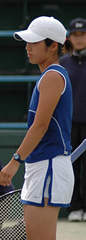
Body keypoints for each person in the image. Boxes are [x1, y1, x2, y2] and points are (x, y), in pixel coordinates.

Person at [0, 16, 74, 240]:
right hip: (42, 165)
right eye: (27, 42)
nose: (27, 48)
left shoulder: (52, 76)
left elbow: (40, 126)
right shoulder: (49, 75)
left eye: (34, 42)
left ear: (53, 46)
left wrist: (14, 162)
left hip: (48, 166)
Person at [60, 17, 86, 221]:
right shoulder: (63, 63)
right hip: (69, 124)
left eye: (83, 34)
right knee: (72, 166)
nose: (79, 39)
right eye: (75, 35)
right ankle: (75, 207)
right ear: (69, 38)